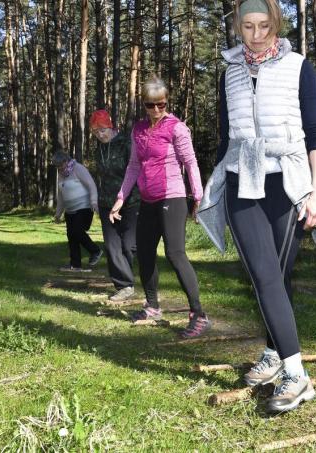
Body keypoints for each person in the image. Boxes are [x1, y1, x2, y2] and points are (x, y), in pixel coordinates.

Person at [196, 0, 316, 414]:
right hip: (242, 178)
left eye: (264, 26)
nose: (256, 35)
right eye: (248, 26)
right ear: (237, 27)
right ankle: (296, 373)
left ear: (275, 24)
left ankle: (276, 353)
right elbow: (226, 138)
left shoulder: (298, 67)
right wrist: (214, 184)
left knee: (278, 275)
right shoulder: (230, 74)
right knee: (262, 273)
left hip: (287, 181)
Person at [109, 77, 209, 338]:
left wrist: (198, 197)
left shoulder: (176, 128)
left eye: (161, 104)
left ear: (166, 102)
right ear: (143, 104)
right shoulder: (139, 129)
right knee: (143, 252)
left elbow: (190, 163)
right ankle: (152, 306)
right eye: (150, 105)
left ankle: (199, 314)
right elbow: (134, 166)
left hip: (172, 197)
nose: (156, 109)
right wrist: (121, 198)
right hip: (148, 199)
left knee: (175, 254)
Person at [90, 109, 141, 304]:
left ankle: (126, 274)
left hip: (130, 201)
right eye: (95, 132)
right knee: (112, 245)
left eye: (102, 130)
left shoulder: (126, 143)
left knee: (129, 245)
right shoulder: (99, 150)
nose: (100, 135)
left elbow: (136, 170)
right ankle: (124, 285)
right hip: (106, 203)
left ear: (110, 126)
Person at [53, 151, 103, 272]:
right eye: (57, 167)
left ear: (66, 161)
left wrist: (94, 202)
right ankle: (75, 265)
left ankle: (95, 251)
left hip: (84, 207)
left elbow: (91, 185)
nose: (59, 168)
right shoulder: (61, 174)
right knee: (71, 236)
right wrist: (58, 213)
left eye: (60, 165)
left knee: (77, 231)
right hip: (70, 210)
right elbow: (61, 195)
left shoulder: (78, 169)